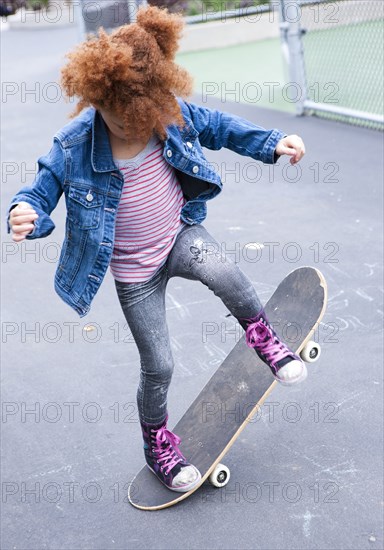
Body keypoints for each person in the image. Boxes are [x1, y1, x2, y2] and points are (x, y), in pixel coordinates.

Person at [7, 6, 306, 493]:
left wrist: (272, 143)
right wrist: (28, 215)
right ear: (97, 100)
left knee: (225, 272)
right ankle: (157, 444)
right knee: (159, 364)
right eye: (117, 119)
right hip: (133, 274)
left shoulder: (171, 113)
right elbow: (39, 193)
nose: (130, 127)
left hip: (178, 237)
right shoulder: (73, 143)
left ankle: (263, 338)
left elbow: (221, 127)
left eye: (139, 118)